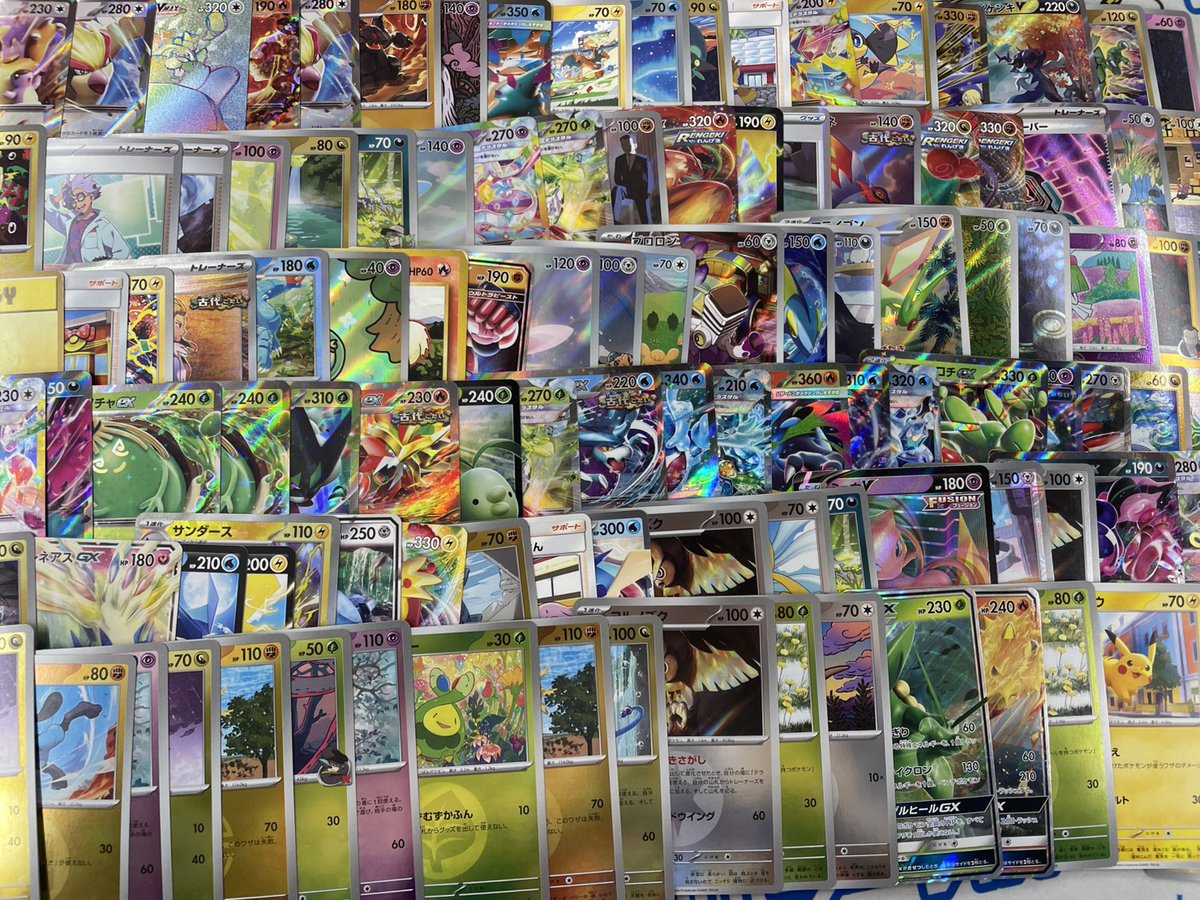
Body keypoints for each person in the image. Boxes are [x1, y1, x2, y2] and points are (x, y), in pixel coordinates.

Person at [45, 175, 131, 265]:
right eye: (73, 201)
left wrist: (105, 267)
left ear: (91, 197)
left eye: (80, 197)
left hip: (91, 271)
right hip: (68, 270)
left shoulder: (102, 225)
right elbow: (47, 212)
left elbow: (122, 251)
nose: (78, 204)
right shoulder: (68, 223)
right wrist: (61, 196)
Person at [612, 134, 653, 225]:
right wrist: (626, 184)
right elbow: (617, 178)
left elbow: (649, 176)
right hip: (627, 189)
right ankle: (615, 220)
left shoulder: (643, 159)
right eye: (623, 145)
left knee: (645, 217)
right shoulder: (619, 160)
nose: (626, 147)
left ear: (635, 145)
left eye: (628, 145)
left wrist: (648, 191)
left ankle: (648, 228)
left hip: (641, 191)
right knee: (617, 189)